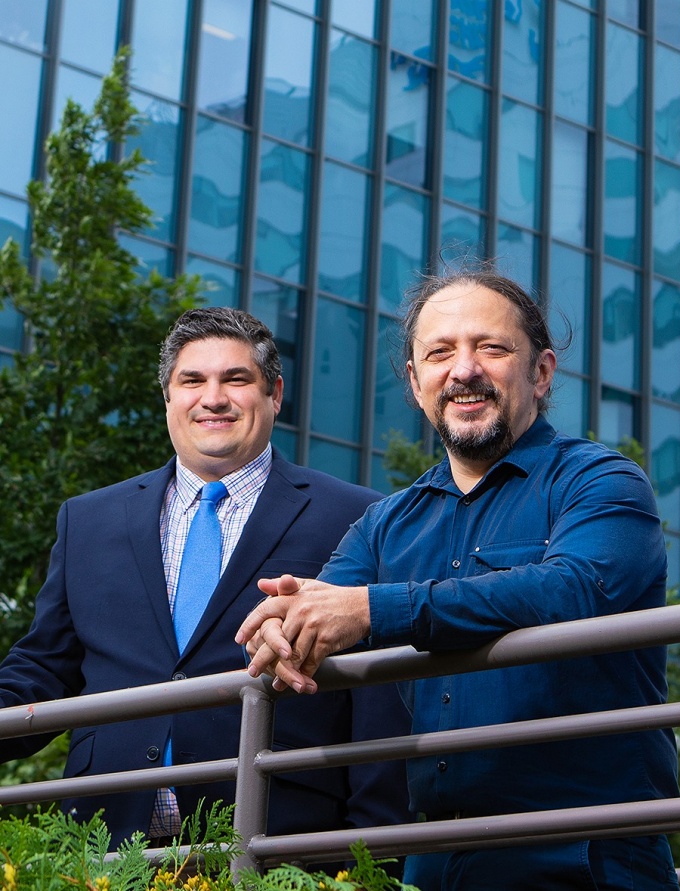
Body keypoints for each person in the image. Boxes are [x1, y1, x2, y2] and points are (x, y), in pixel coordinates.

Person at [236, 270, 680, 891]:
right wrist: (281, 626)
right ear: (417, 385)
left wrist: (377, 610)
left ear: (542, 372)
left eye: (491, 348)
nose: (464, 369)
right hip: (434, 851)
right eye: (439, 353)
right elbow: (323, 610)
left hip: (585, 847)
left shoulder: (601, 481)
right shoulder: (385, 525)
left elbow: (576, 589)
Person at [0, 307, 411, 847]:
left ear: (275, 395)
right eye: (192, 380)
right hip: (105, 840)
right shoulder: (89, 519)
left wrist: (371, 856)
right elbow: (46, 666)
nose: (213, 398)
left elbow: (379, 695)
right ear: (168, 397)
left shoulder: (355, 515)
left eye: (236, 379)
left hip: (277, 836)